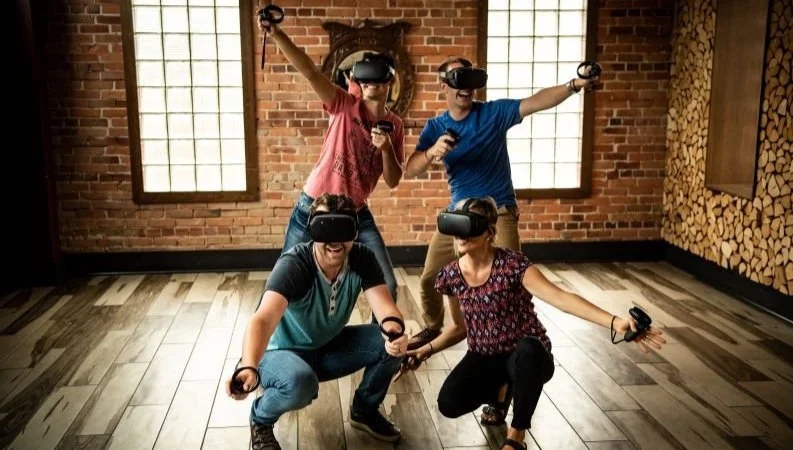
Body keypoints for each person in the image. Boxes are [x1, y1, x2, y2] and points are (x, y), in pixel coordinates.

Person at [402, 197, 665, 450]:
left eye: (469, 228)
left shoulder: (513, 265)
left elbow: (561, 298)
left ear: (489, 233)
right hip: (484, 355)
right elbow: (459, 328)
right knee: (449, 402)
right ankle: (503, 392)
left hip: (528, 356)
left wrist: (616, 321)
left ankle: (516, 436)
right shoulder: (450, 275)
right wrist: (424, 351)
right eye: (457, 227)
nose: (460, 235)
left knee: (528, 349)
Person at [405, 57, 600, 350]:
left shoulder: (493, 114)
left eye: (471, 81)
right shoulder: (436, 127)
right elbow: (411, 168)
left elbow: (535, 101)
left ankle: (517, 339)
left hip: (499, 211)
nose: (467, 89)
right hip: (459, 214)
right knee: (429, 278)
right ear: (443, 83)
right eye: (459, 80)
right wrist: (433, 151)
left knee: (512, 279)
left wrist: (575, 85)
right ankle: (433, 329)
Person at [226, 193, 409, 450]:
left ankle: (364, 411)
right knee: (301, 383)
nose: (334, 242)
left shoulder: (361, 258)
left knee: (390, 344)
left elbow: (386, 309)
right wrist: (249, 366)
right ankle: (260, 420)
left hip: (327, 348)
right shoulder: (295, 264)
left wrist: (394, 335)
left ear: (355, 231)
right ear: (312, 230)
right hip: (278, 353)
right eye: (325, 228)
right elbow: (262, 320)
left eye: (342, 229)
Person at [261, 18, 405, 302]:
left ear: (389, 80)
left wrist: (387, 149)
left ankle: (384, 346)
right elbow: (311, 73)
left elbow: (393, 179)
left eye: (375, 77)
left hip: (356, 212)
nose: (368, 83)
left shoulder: (395, 125)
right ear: (358, 81)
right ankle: (261, 344)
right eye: (363, 78)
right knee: (280, 285)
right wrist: (277, 34)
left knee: (388, 285)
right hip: (313, 206)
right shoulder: (343, 105)